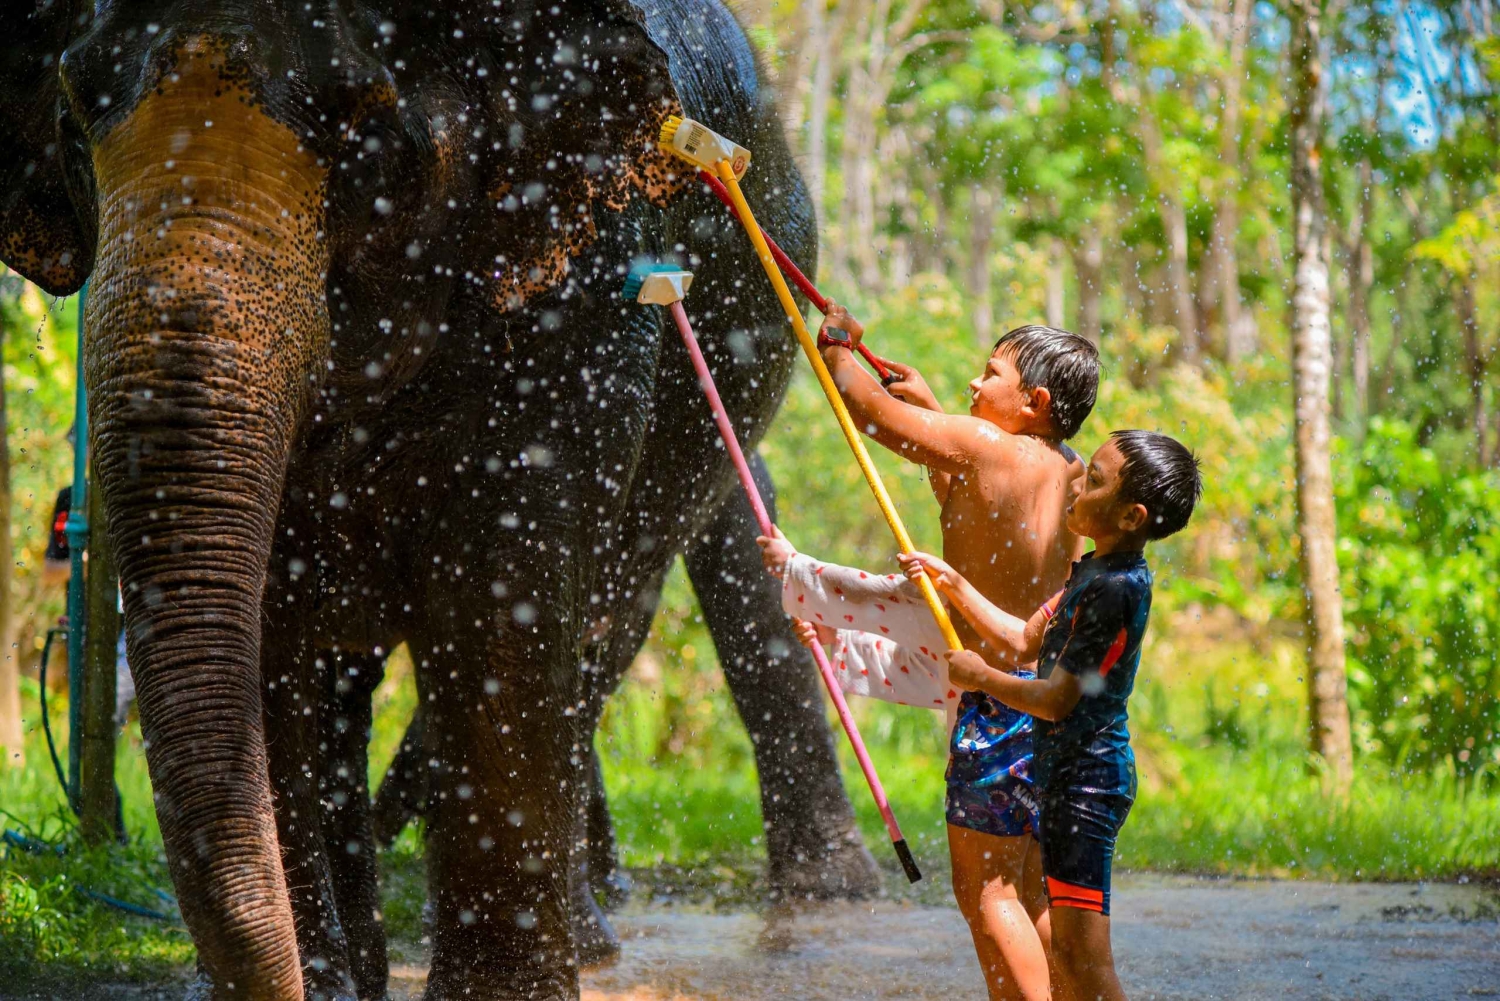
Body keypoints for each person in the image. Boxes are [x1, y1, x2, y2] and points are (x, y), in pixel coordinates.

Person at [759, 308, 1099, 1001]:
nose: (975, 384)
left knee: (985, 892)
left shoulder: (985, 445)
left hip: (995, 706)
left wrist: (838, 347)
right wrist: (940, 411)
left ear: (1034, 402)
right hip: (1050, 704)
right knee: (1029, 887)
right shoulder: (1069, 469)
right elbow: (975, 500)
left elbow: (870, 414)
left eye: (991, 373)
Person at [904, 430, 1202, 1001]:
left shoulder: (1115, 589)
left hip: (1088, 786)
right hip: (1066, 779)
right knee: (1067, 953)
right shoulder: (1089, 571)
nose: (1077, 485)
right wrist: (955, 584)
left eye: (1094, 480)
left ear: (1132, 515)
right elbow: (1022, 639)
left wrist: (979, 679)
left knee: (1084, 961)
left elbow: (1057, 698)